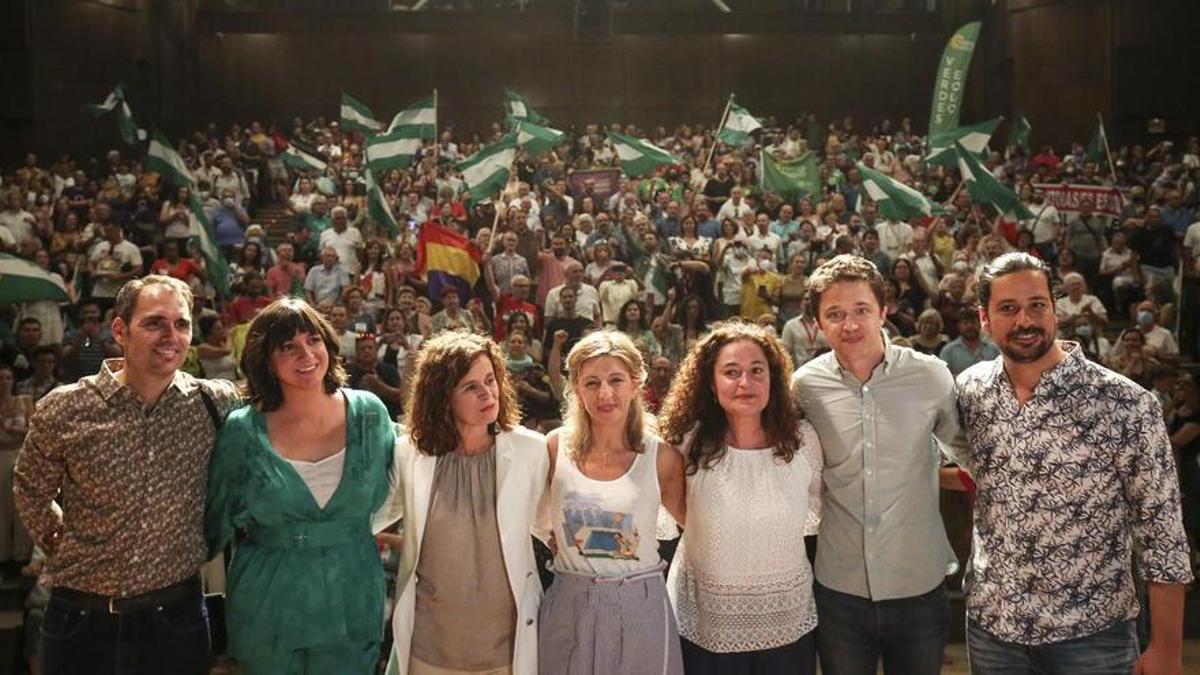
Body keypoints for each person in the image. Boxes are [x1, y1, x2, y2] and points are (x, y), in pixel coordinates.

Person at [954, 252, 1193, 674]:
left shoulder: (1126, 404)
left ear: (1055, 309)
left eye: (1037, 305)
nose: (1024, 320)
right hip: (993, 629)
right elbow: (977, 472)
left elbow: (1163, 535)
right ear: (985, 318)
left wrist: (1167, 648)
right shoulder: (970, 391)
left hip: (1093, 636)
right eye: (1008, 309)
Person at [14, 275, 240, 675]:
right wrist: (61, 541)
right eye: (154, 323)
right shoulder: (66, 409)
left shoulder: (215, 402)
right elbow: (30, 487)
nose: (171, 336)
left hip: (176, 618)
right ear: (120, 329)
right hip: (81, 617)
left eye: (181, 324)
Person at [205, 298, 399, 674]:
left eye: (313, 340)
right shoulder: (241, 430)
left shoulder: (371, 414)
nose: (306, 354)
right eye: (288, 347)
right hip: (267, 600)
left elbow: (413, 475)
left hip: (354, 592)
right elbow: (213, 525)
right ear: (266, 359)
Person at [792, 255, 961, 675]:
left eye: (861, 310)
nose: (850, 325)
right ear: (817, 323)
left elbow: (969, 453)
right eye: (835, 314)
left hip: (918, 584)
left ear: (884, 311)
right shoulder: (804, 387)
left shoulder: (932, 376)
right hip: (839, 589)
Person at [659, 322, 824, 674]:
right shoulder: (686, 443)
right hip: (706, 623)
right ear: (711, 382)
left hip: (786, 621)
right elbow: (678, 513)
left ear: (773, 379)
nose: (744, 383)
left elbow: (814, 513)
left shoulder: (803, 440)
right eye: (731, 372)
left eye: (756, 371)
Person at [387, 332, 549, 675]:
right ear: (442, 397)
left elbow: (552, 529)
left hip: (507, 647)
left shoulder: (531, 451)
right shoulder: (408, 454)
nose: (487, 393)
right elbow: (373, 516)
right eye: (470, 386)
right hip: (428, 645)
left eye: (490, 380)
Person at [537, 331, 686, 675]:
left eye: (616, 380)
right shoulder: (554, 447)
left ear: (635, 385)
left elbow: (695, 528)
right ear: (576, 389)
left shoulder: (661, 456)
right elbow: (536, 517)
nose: (605, 393)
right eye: (592, 383)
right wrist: (554, 536)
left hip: (640, 603)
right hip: (569, 601)